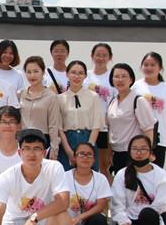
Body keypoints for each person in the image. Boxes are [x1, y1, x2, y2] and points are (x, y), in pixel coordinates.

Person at [110, 135, 166, 225]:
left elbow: (162, 203)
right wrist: (123, 223)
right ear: (129, 151)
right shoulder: (122, 174)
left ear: (150, 152)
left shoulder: (161, 175)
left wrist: (146, 214)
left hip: (151, 219)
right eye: (135, 149)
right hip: (130, 219)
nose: (139, 153)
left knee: (148, 213)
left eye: (143, 149)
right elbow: (116, 203)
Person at [62, 142, 113, 225]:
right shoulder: (64, 177)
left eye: (89, 154)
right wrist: (67, 222)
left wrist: (80, 217)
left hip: (90, 221)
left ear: (94, 159)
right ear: (74, 157)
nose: (85, 157)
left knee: (100, 219)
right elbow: (58, 203)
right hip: (70, 222)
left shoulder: (100, 179)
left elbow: (101, 205)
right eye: (81, 154)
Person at [107, 63, 155, 173]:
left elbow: (148, 128)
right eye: (116, 76)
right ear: (112, 80)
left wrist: (148, 152)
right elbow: (111, 128)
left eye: (124, 76)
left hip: (134, 154)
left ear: (131, 80)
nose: (120, 80)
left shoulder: (138, 100)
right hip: (117, 153)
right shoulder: (113, 101)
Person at [57, 60, 105, 171]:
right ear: (67, 74)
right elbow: (59, 127)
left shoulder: (93, 97)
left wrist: (88, 148)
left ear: (85, 76)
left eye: (80, 73)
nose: (77, 76)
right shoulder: (59, 99)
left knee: (89, 175)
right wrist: (68, 151)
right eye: (73, 72)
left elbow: (96, 125)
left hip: (88, 139)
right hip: (67, 141)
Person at [132, 52, 166, 168]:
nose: (149, 68)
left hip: (159, 139)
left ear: (160, 68)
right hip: (138, 137)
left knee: (155, 172)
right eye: (146, 65)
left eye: (153, 65)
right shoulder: (135, 87)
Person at [19, 56, 61, 160]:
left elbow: (53, 125)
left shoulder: (51, 97)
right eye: (28, 72)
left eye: (36, 71)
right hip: (23, 143)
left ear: (43, 72)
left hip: (43, 144)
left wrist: (54, 150)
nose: (32, 75)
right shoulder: (20, 95)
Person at [86, 43, 117, 183]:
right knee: (87, 164)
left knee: (104, 166)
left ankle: (107, 194)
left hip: (105, 128)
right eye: (97, 55)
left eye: (104, 55)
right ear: (92, 56)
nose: (100, 58)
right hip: (87, 126)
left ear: (110, 57)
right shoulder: (86, 76)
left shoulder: (113, 77)